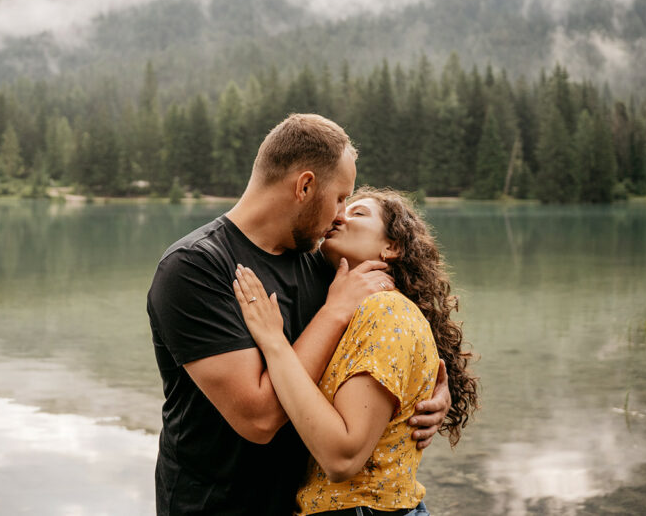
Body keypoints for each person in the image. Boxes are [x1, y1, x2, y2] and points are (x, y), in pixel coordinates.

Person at [147, 114, 451, 516]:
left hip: (298, 505)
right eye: (341, 197)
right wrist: (334, 311)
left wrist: (430, 394)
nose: (341, 214)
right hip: (215, 506)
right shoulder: (195, 268)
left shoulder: (323, 261)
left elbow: (382, 346)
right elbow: (258, 419)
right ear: (305, 186)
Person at [232, 187, 479, 515]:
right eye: (341, 207)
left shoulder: (386, 312)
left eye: (358, 213)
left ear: (392, 246)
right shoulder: (351, 307)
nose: (340, 216)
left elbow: (342, 457)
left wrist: (273, 343)